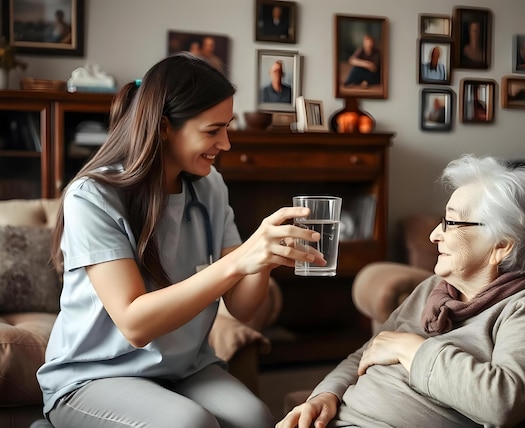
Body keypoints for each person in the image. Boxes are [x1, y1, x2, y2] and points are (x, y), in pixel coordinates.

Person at [36, 52, 325, 428]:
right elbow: (135, 324)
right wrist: (238, 260)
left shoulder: (211, 187)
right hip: (95, 374)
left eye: (228, 127)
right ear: (163, 127)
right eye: (212, 130)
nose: (226, 143)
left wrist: (264, 257)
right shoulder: (92, 196)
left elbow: (242, 307)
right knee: (190, 424)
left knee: (255, 418)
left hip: (183, 367)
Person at [278, 154, 525, 428]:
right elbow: (366, 353)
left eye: (451, 222)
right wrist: (325, 395)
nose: (435, 234)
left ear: (501, 246)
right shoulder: (434, 291)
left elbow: (501, 402)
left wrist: (407, 348)